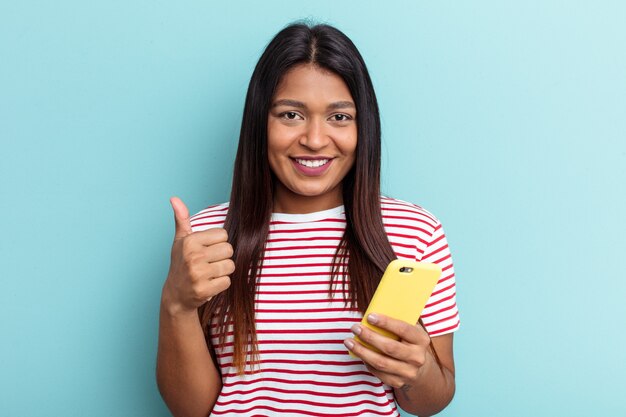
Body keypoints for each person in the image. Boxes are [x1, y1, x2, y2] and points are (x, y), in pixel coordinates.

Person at [156, 22, 460, 417]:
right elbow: (191, 410)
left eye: (339, 117)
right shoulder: (208, 237)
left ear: (362, 127)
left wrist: (415, 373)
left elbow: (433, 401)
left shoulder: (415, 232)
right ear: (259, 124)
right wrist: (175, 303)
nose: (315, 139)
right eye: (291, 115)